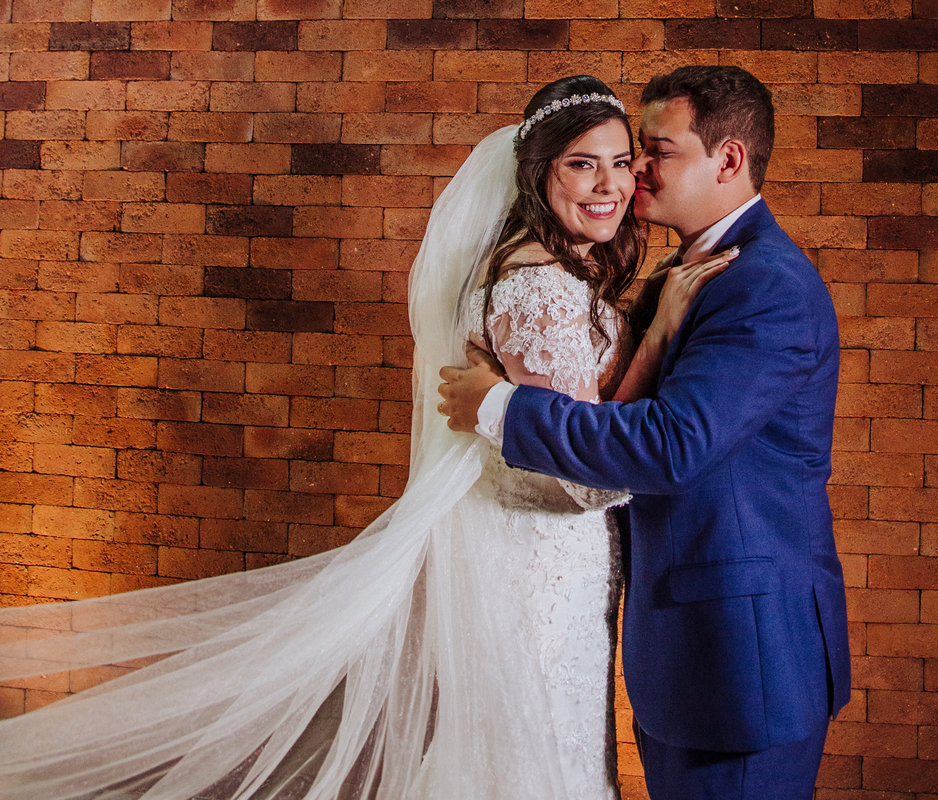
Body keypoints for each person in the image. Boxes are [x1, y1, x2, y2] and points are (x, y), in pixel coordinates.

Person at [0, 75, 730, 800]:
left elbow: (582, 415)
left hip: (544, 557)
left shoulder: (556, 270)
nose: (610, 184)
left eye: (620, 162)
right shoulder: (537, 287)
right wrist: (660, 332)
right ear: (539, 173)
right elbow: (582, 474)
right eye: (581, 163)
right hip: (542, 564)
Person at [438, 65, 852, 800]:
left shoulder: (765, 284)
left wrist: (500, 406)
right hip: (683, 648)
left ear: (728, 159)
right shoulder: (683, 272)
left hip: (743, 657)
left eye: (655, 152)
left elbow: (672, 445)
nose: (634, 173)